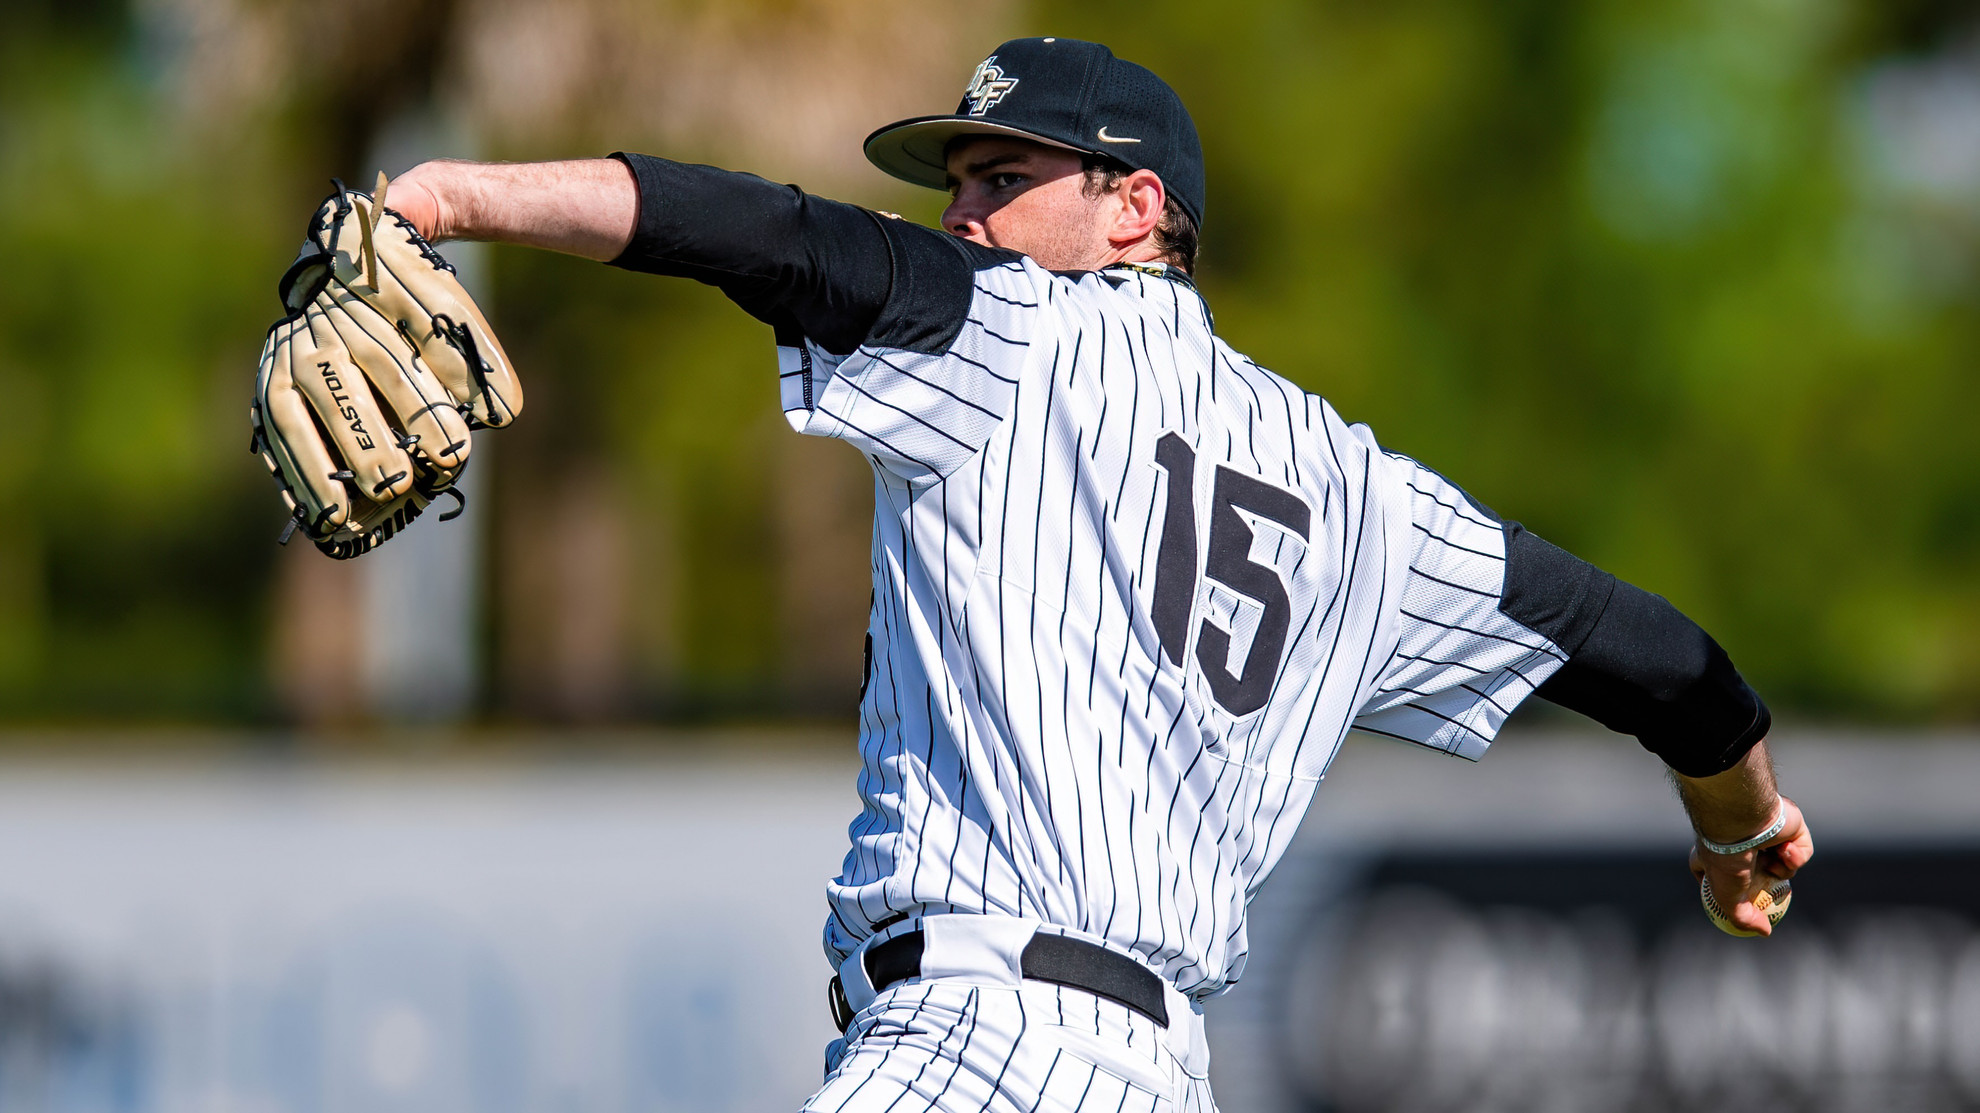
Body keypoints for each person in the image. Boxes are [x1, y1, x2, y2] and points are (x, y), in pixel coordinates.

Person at [386, 36, 1813, 1113]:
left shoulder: (1011, 337)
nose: (966, 219)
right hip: (1154, 1073)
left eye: (1004, 180)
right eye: (959, 188)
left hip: (977, 1042)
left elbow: (760, 230)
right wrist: (1739, 822)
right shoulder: (1368, 502)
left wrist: (452, 195)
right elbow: (1651, 655)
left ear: (1136, 210)